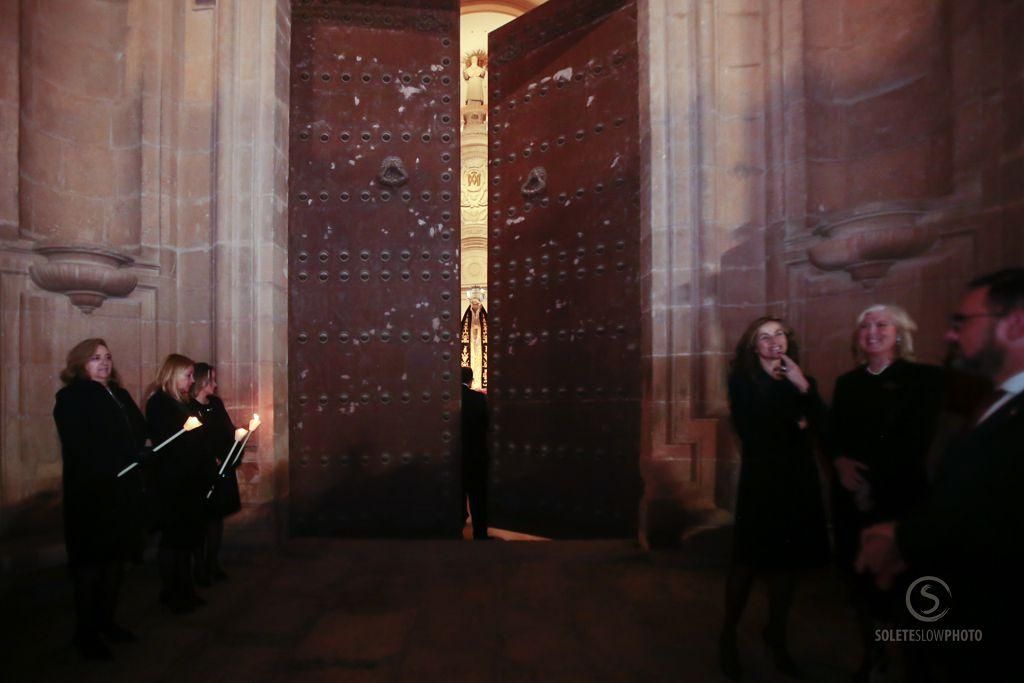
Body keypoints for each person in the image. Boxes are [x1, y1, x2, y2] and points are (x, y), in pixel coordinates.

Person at [857, 269, 1024, 681]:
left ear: (1016, 324)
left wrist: (903, 537)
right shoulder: (1001, 399)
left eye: (962, 322)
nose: (950, 335)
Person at [830, 305, 944, 681]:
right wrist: (840, 462)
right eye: (865, 325)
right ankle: (873, 657)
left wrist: (871, 483)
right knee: (863, 583)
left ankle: (917, 665)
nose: (872, 331)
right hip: (853, 499)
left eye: (882, 324)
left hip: (900, 496)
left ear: (900, 334)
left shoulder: (922, 378)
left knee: (908, 586)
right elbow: (836, 436)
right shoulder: (847, 383)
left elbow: (916, 440)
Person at [720, 316, 830, 680]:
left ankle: (777, 637)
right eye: (763, 337)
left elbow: (825, 428)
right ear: (754, 348)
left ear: (788, 340)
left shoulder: (803, 382)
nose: (773, 341)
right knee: (747, 562)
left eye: (778, 334)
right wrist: (797, 422)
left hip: (798, 483)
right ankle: (727, 638)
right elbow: (754, 432)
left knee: (787, 565)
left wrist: (804, 389)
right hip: (762, 483)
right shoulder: (743, 382)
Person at [53, 338, 148, 659]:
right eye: (95, 358)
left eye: (107, 357)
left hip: (122, 493)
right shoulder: (70, 398)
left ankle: (107, 622)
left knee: (115, 563)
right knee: (90, 566)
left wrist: (142, 450)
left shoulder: (119, 394)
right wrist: (115, 463)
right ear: (80, 363)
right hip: (92, 494)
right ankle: (86, 633)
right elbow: (80, 444)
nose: (103, 363)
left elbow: (137, 428)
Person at [146, 354, 205, 613]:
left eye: (193, 376)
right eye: (188, 375)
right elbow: (165, 441)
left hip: (190, 481)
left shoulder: (186, 402)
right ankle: (171, 591)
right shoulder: (159, 403)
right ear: (173, 374)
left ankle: (186, 587)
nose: (192, 381)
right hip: (171, 482)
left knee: (187, 539)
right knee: (173, 539)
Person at [190, 363, 240, 585]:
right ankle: (199, 567)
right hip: (202, 471)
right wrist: (210, 458)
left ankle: (212, 563)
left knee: (216, 519)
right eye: (212, 380)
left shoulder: (216, 404)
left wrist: (232, 448)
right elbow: (195, 440)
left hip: (221, 469)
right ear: (201, 381)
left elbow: (227, 431)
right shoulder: (189, 407)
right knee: (200, 521)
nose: (216, 384)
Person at [460, 366, 489, 540]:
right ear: (472, 380)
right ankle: (480, 533)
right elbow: (486, 424)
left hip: (456, 455)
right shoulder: (479, 399)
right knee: (478, 495)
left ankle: (456, 530)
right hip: (476, 454)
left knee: (458, 494)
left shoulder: (450, 398)